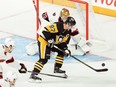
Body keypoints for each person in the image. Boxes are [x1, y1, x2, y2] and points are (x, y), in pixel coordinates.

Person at [29, 17, 76, 81]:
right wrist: (49, 39)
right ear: (66, 23)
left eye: (72, 25)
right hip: (44, 41)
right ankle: (33, 74)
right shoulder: (57, 26)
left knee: (62, 52)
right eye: (70, 25)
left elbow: (63, 42)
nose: (71, 27)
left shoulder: (68, 32)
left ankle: (57, 69)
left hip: (54, 43)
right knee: (44, 59)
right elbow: (45, 30)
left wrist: (65, 49)